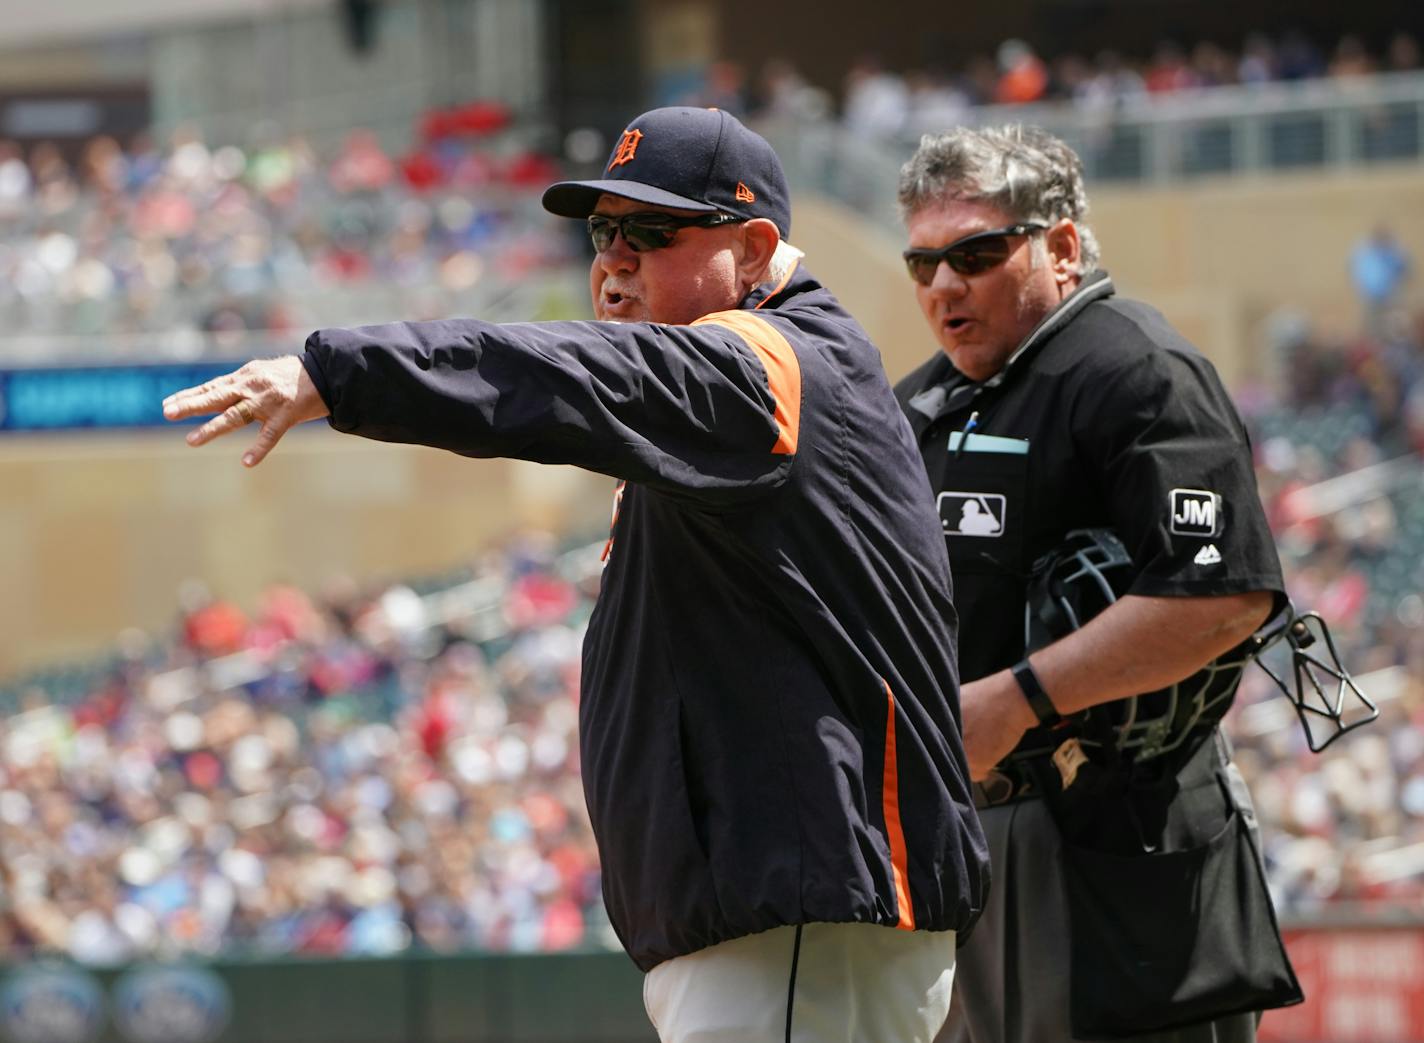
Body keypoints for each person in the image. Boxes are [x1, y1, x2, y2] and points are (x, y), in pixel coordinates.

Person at [163, 106, 988, 1043]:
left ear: (756, 251)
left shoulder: (774, 364)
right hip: (783, 917)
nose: (614, 261)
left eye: (650, 231)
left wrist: (341, 372)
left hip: (807, 909)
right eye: (603, 231)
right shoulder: (728, 403)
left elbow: (566, 377)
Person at [892, 125, 1299, 1043]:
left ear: (1061, 247)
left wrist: (1020, 695)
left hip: (1120, 834)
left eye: (976, 253)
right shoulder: (916, 402)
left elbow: (1222, 599)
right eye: (923, 264)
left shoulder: (1137, 371)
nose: (943, 285)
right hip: (960, 841)